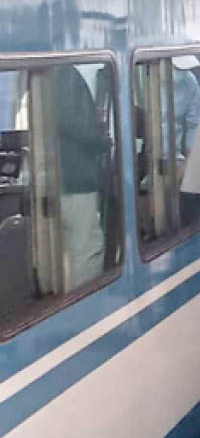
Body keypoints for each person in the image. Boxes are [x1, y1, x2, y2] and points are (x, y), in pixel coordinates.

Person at [55, 64, 109, 291]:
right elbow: (68, 121)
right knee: (88, 246)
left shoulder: (55, 72)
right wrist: (101, 141)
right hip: (76, 180)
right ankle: (84, 305)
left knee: (70, 248)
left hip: (60, 179)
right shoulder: (66, 74)